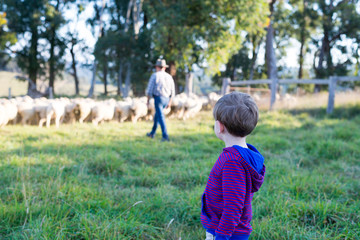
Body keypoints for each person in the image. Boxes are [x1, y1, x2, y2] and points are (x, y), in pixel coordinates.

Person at [201, 92, 266, 240]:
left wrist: (221, 236)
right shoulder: (244, 155)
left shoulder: (233, 162)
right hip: (231, 229)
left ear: (219, 126)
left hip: (225, 231)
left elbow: (233, 206)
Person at [145, 59, 175, 142]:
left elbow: (149, 90)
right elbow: (173, 91)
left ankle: (165, 135)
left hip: (159, 98)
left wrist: (147, 101)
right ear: (164, 68)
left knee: (160, 116)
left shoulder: (155, 76)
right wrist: (170, 101)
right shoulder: (169, 77)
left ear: (157, 67)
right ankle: (152, 133)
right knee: (157, 116)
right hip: (167, 98)